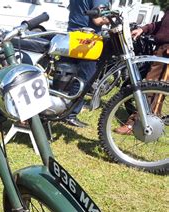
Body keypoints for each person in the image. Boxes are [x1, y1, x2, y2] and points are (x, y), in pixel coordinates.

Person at [115, 9, 169, 134]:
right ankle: (153, 121)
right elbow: (162, 25)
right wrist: (143, 29)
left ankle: (133, 124)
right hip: (161, 49)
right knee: (157, 89)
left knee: (149, 88)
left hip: (167, 51)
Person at [66, 0, 109, 128]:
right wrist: (113, 19)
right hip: (88, 40)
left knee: (68, 75)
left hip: (72, 35)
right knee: (85, 78)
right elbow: (98, 20)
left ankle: (64, 108)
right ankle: (71, 114)